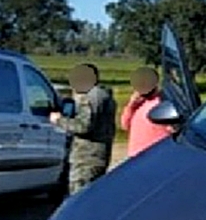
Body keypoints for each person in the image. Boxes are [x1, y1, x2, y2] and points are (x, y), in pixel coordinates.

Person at [49, 63, 117, 194]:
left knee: (79, 195)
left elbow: (83, 126)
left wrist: (59, 120)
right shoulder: (106, 96)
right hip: (100, 154)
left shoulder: (90, 97)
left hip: (86, 157)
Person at [120, 66, 172, 158]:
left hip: (155, 156)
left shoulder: (163, 102)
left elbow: (172, 129)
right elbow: (125, 125)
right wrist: (131, 105)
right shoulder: (137, 103)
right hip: (135, 155)